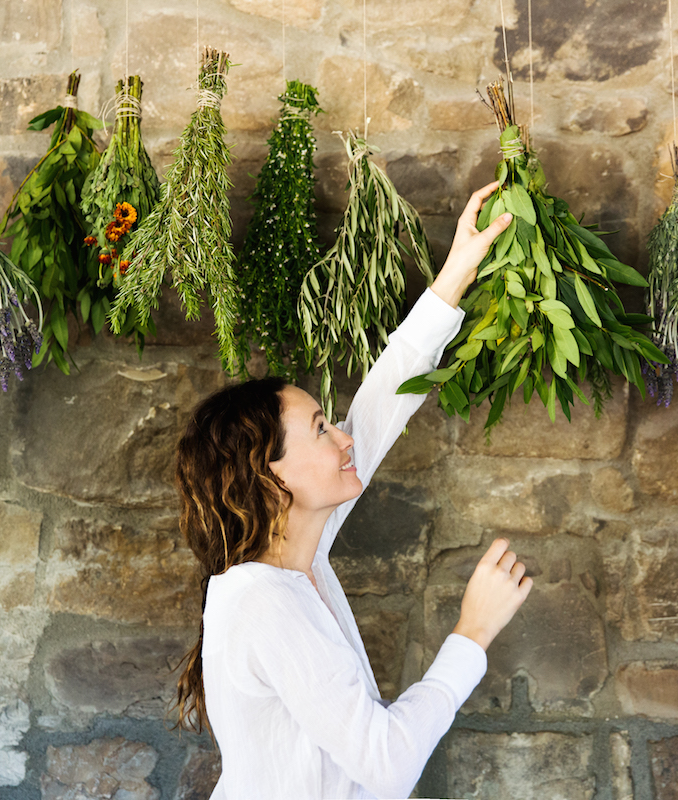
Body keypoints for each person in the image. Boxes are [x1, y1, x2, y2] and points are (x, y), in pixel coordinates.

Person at [172, 183, 531, 799]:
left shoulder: (295, 558)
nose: (342, 438)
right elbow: (386, 765)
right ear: (271, 475)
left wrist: (455, 275)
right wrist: (472, 633)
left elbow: (377, 411)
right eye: (319, 429)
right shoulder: (264, 601)